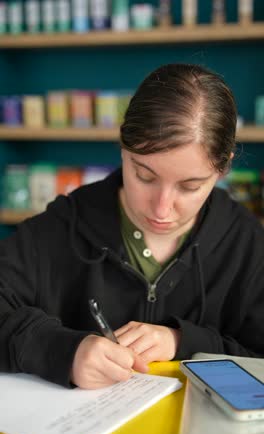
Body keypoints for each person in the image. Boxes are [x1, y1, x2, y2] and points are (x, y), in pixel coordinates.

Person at [0, 63, 263, 391]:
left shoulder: (247, 244)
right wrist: (61, 350)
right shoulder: (61, 226)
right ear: (123, 148)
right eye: (145, 176)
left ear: (222, 171)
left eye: (190, 186)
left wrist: (184, 342)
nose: (162, 208)